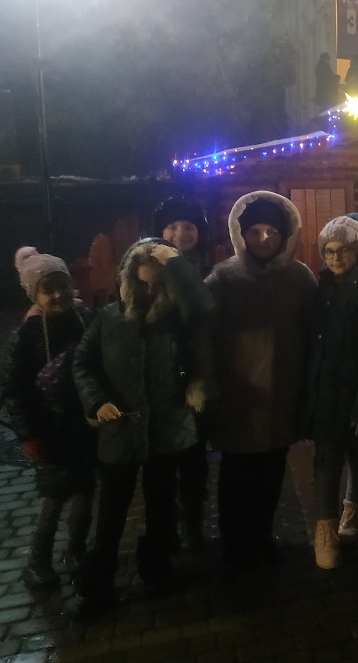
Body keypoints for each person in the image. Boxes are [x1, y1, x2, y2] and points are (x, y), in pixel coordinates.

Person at [72, 240, 213, 619]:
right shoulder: (110, 318)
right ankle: (98, 587)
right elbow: (82, 363)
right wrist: (96, 401)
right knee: (111, 513)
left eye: (157, 282)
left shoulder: (178, 316)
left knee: (161, 507)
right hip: (120, 428)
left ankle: (156, 572)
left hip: (167, 427)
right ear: (129, 277)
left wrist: (176, 261)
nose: (149, 289)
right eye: (142, 281)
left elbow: (204, 304)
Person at [203, 191, 317, 569]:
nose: (264, 239)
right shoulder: (223, 278)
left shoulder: (300, 278)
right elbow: (204, 336)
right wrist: (209, 384)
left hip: (281, 396)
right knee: (236, 476)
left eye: (272, 231)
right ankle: (235, 545)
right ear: (241, 234)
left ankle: (262, 536)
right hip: (239, 399)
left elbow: (313, 333)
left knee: (271, 474)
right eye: (255, 231)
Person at [1, 248, 96, 589]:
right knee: (54, 496)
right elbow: (14, 389)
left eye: (63, 286)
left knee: (85, 490)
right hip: (50, 428)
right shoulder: (27, 335)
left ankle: (76, 550)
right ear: (34, 294)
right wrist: (28, 434)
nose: (58, 295)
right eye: (48, 289)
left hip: (85, 423)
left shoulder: (84, 318)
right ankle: (37, 562)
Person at [300, 215, 358, 569]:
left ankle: (355, 509)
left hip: (354, 388)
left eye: (344, 250)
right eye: (329, 251)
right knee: (326, 459)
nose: (336, 258)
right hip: (325, 390)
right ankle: (326, 528)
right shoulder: (321, 287)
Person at [152, 195, 211, 552]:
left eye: (189, 226)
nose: (180, 233)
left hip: (196, 376)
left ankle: (193, 523)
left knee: (193, 456)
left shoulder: (208, 269)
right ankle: (164, 529)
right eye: (172, 226)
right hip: (159, 376)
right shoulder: (147, 270)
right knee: (160, 461)